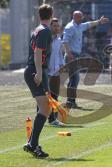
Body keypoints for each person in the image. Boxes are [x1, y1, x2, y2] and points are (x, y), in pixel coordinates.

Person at [23, 4, 53, 158]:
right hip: (35, 70)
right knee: (45, 108)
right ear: (51, 15)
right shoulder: (45, 31)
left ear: (39, 14)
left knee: (43, 107)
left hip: (35, 70)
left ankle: (32, 143)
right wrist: (39, 73)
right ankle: (32, 144)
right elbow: (38, 52)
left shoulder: (38, 29)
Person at [63, 11, 109, 108]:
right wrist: (68, 53)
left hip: (76, 55)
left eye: (82, 17)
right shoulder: (70, 27)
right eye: (80, 17)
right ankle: (70, 102)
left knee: (73, 79)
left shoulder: (79, 26)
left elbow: (89, 24)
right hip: (72, 55)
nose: (82, 18)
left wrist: (99, 21)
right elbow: (65, 41)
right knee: (75, 78)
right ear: (75, 17)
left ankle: (70, 102)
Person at [48, 18, 65, 127]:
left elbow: (59, 55)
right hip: (46, 73)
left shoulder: (59, 40)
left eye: (58, 26)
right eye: (54, 26)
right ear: (50, 27)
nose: (57, 28)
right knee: (44, 97)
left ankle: (52, 119)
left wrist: (62, 64)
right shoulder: (46, 39)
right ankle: (39, 117)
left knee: (54, 96)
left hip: (56, 73)